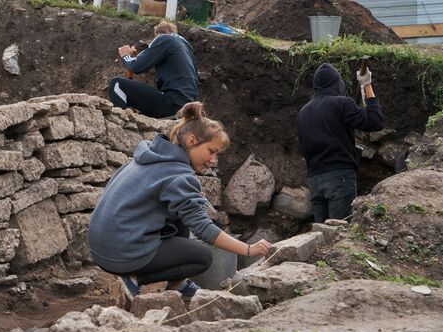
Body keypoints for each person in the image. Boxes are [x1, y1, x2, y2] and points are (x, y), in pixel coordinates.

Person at [88, 102, 272, 299]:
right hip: (122, 254)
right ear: (192, 141)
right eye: (211, 151)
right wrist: (248, 249)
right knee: (201, 256)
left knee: (182, 217)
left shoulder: (148, 157)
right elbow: (203, 229)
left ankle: (177, 284)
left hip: (100, 247)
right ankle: (132, 278)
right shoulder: (180, 176)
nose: (213, 160)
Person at [296, 63, 384, 223]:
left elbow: (303, 148)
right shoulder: (341, 103)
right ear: (337, 83)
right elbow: (375, 122)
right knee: (339, 236)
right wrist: (367, 85)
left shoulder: (303, 112)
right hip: (340, 179)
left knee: (321, 237)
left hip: (315, 182)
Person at [108, 20, 199, 119]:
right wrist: (131, 65)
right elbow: (135, 68)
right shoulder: (185, 46)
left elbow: (137, 66)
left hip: (172, 104)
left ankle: (122, 125)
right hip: (186, 107)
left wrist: (126, 55)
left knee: (116, 84)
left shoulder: (165, 38)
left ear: (156, 34)